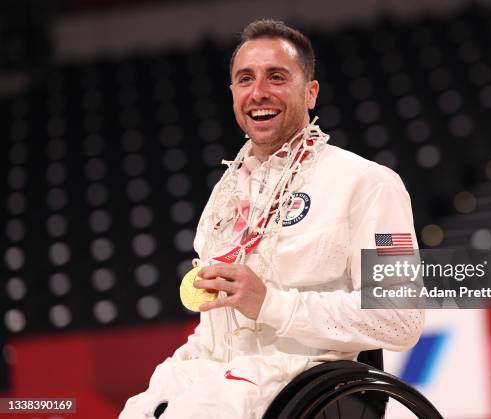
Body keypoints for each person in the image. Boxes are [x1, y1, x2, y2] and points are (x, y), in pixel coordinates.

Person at [120, 19, 424, 419]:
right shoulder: (224, 197)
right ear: (232, 94)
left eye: (276, 77)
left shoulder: (370, 184)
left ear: (310, 92)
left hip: (305, 390)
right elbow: (217, 331)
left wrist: (270, 304)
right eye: (245, 79)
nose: (258, 92)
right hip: (216, 379)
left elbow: (400, 318)